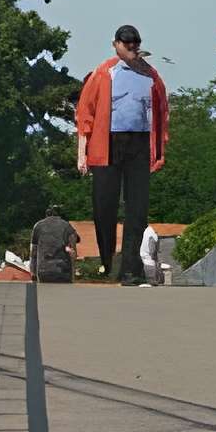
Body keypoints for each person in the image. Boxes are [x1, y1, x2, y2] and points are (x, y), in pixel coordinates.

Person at [74, 24, 169, 287]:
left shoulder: (152, 76)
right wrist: (82, 153)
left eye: (135, 43)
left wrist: (159, 151)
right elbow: (85, 113)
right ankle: (107, 261)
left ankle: (131, 271)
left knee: (137, 209)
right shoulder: (104, 73)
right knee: (104, 207)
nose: (132, 47)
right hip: (107, 144)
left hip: (139, 143)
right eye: (127, 43)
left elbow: (161, 115)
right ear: (115, 44)